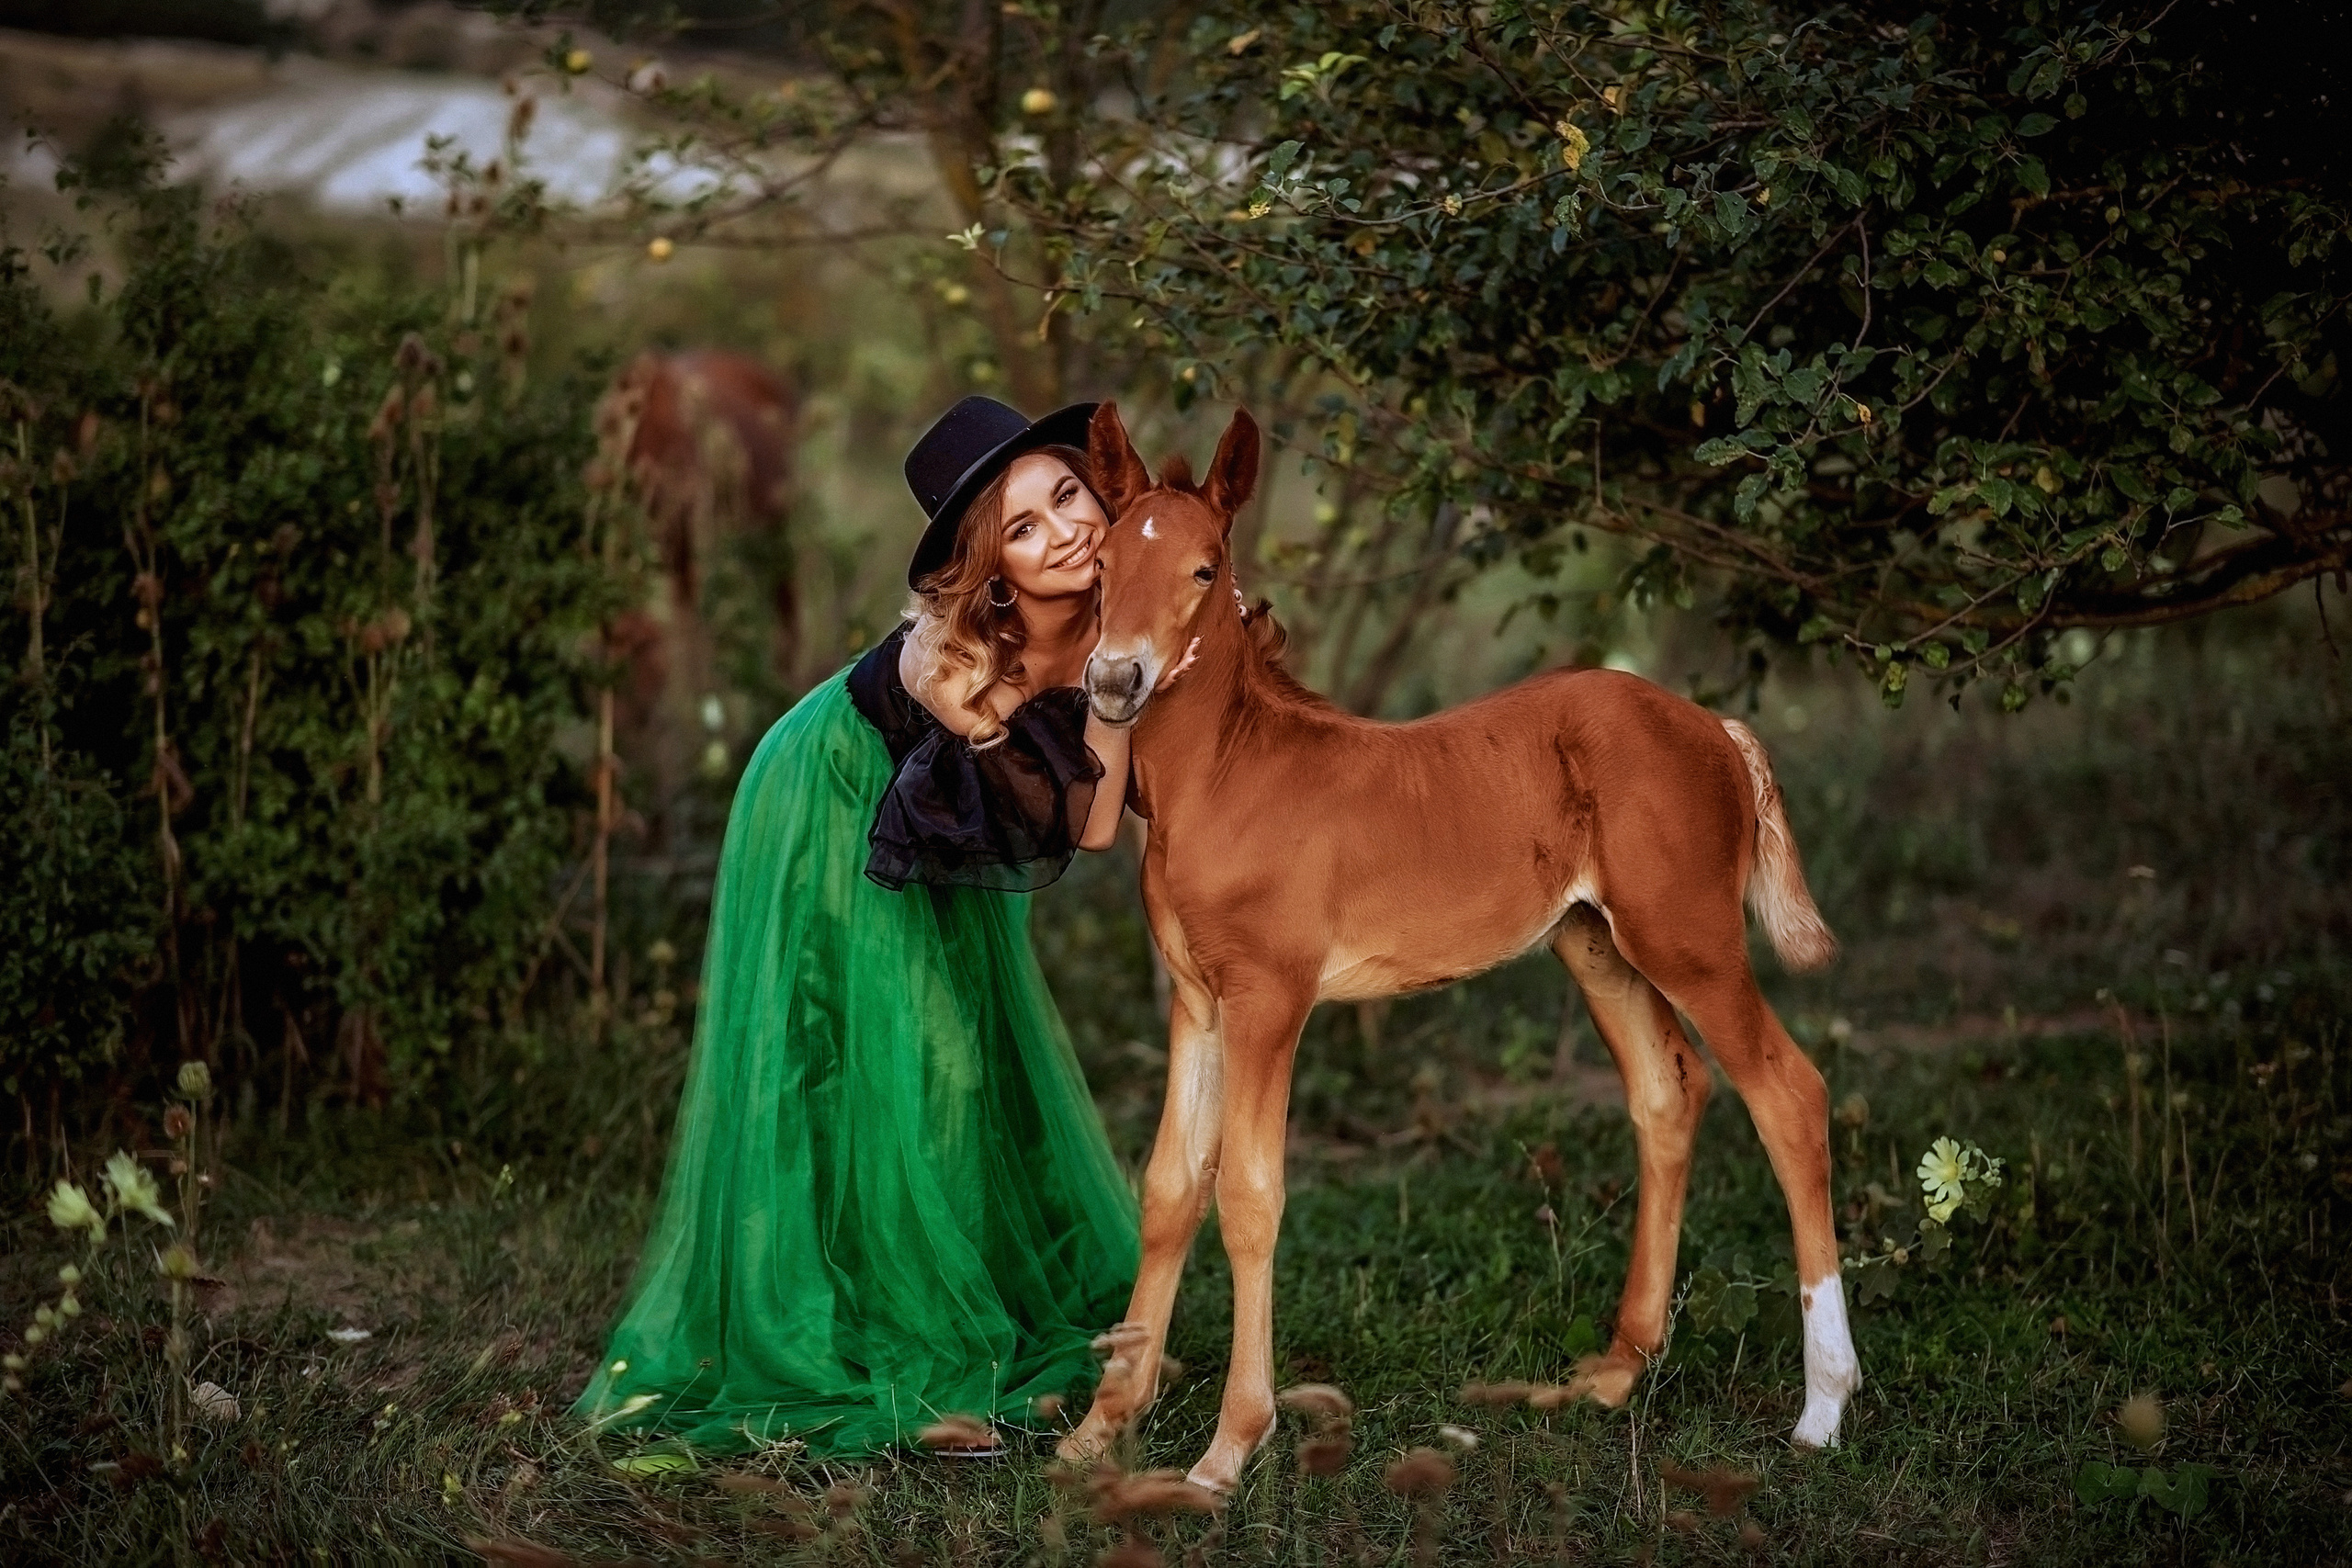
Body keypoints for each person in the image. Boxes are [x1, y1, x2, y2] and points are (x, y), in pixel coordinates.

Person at [572, 396, 1143, 1457]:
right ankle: (905, 1349)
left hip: (933, 820)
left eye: (1066, 495)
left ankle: (969, 1297)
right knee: (911, 1065)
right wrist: (1113, 701)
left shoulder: (1123, 591)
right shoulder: (964, 665)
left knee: (970, 1051)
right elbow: (1092, 824)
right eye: (1023, 528)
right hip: (830, 790)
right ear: (993, 571)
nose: (1064, 530)